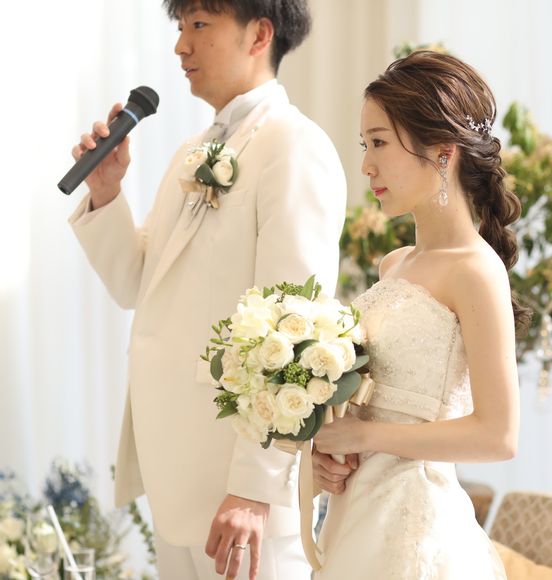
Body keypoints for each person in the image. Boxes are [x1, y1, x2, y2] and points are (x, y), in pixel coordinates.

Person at [68, 1, 346, 579]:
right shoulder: (190, 154)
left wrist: (254, 488)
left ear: (259, 34)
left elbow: (295, 327)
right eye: (180, 27)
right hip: (177, 479)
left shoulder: (295, 146)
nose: (181, 46)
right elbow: (137, 285)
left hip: (240, 495)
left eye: (199, 25)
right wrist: (106, 192)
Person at [311, 50, 528, 579]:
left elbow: (498, 435)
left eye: (379, 142)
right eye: (364, 145)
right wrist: (329, 452)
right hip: (357, 513)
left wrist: (366, 438)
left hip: (416, 527)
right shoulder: (394, 264)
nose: (366, 165)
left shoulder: (475, 270)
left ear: (442, 153)